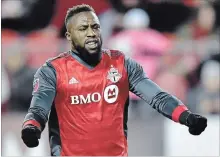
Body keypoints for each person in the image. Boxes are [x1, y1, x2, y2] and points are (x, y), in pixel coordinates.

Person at [21, 4, 207, 156]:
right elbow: (39, 107)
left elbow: (157, 96)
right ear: (69, 36)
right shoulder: (53, 71)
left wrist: (185, 116)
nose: (91, 33)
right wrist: (32, 127)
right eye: (83, 28)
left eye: (95, 27)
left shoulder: (121, 64)